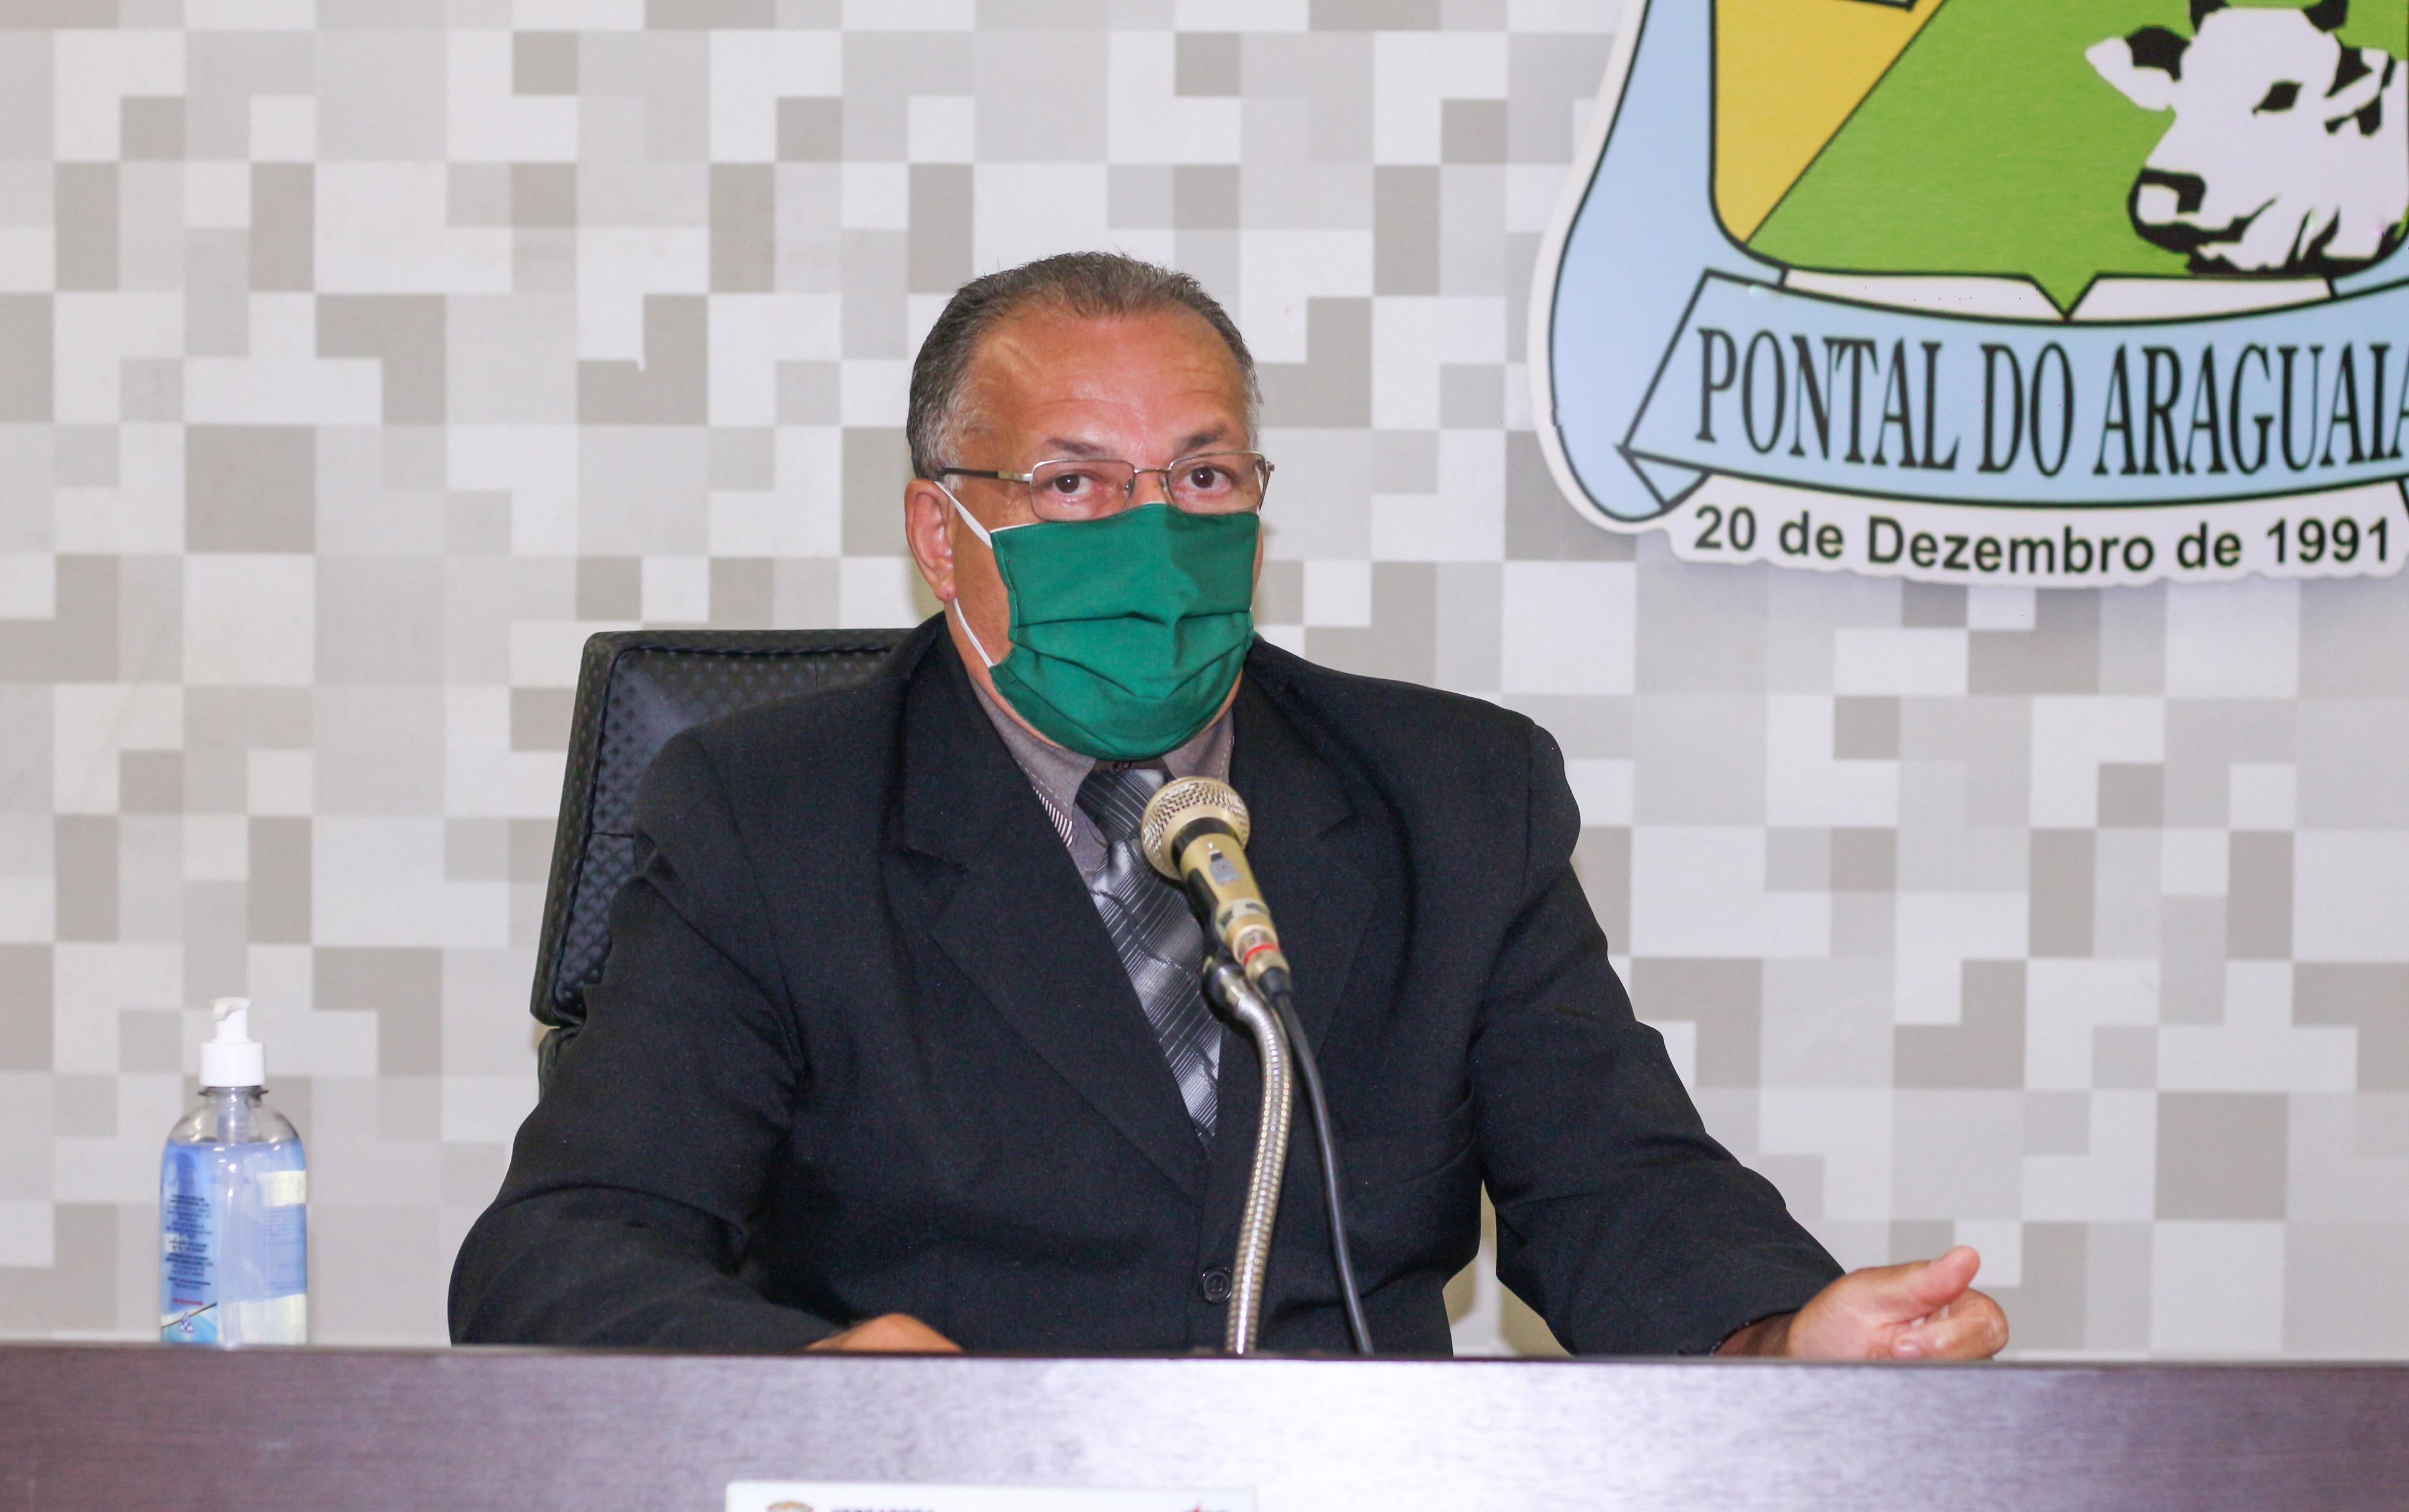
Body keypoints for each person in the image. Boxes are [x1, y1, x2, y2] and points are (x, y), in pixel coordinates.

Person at [450, 253, 2008, 1362]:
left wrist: (1779, 1334)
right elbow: (565, 1245)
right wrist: (814, 1381)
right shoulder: (769, 813)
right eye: (1074, 484)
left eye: (1200, 479)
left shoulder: (1453, 796)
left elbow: (1614, 1181)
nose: (1151, 532)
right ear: (941, 532)